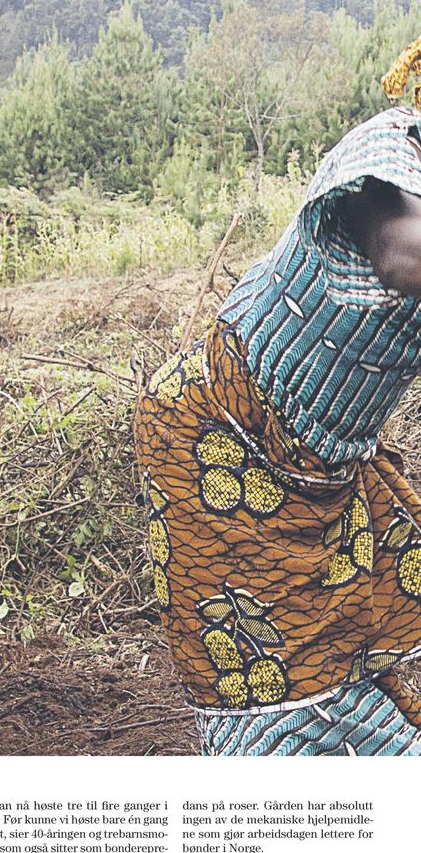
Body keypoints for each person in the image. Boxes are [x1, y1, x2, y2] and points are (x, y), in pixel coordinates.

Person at [135, 41, 421, 756]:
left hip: (320, 468)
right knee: (263, 667)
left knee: (343, 628)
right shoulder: (385, 153)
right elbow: (400, 255)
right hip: (216, 441)